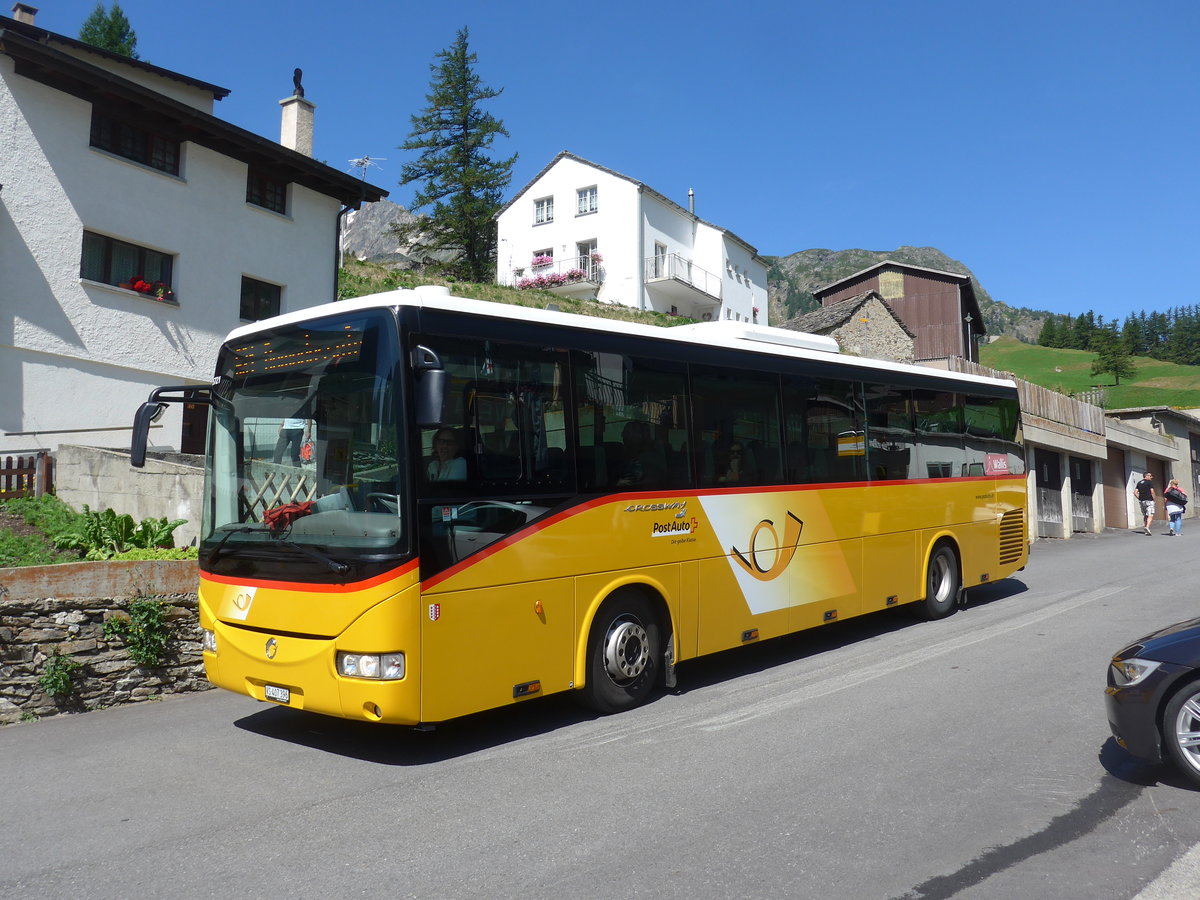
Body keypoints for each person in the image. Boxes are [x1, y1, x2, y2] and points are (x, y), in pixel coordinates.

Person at [1132, 471, 1156, 536]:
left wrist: (1140, 498)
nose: (1151, 477)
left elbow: (1135, 492)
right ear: (1146, 476)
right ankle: (1147, 527)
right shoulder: (1149, 482)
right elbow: (1152, 491)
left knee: (1145, 515)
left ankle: (1146, 529)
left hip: (1142, 501)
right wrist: (1154, 499)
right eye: (1150, 476)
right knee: (1150, 515)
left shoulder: (1139, 483)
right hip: (1149, 500)